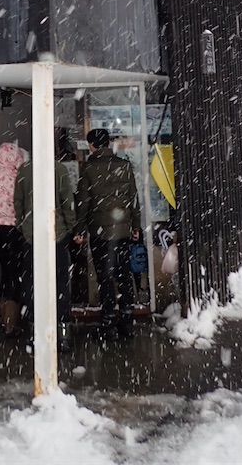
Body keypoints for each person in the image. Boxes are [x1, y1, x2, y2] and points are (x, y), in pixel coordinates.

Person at [74, 128, 141, 341]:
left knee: (105, 277)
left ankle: (108, 323)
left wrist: (79, 231)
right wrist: (135, 226)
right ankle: (127, 323)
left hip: (100, 232)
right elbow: (133, 199)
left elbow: (83, 203)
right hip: (122, 231)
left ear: (92, 145)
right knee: (124, 275)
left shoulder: (89, 169)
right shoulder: (124, 165)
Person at [14, 154, 77, 351]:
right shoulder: (59, 169)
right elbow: (68, 202)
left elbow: (18, 203)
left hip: (32, 236)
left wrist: (23, 226)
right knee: (61, 285)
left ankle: (35, 333)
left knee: (32, 284)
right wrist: (69, 227)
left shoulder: (24, 171)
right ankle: (63, 334)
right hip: (56, 235)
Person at [0, 142, 27, 335]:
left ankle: (5, 317)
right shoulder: (20, 178)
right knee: (17, 273)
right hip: (16, 229)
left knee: (5, 271)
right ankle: (13, 321)